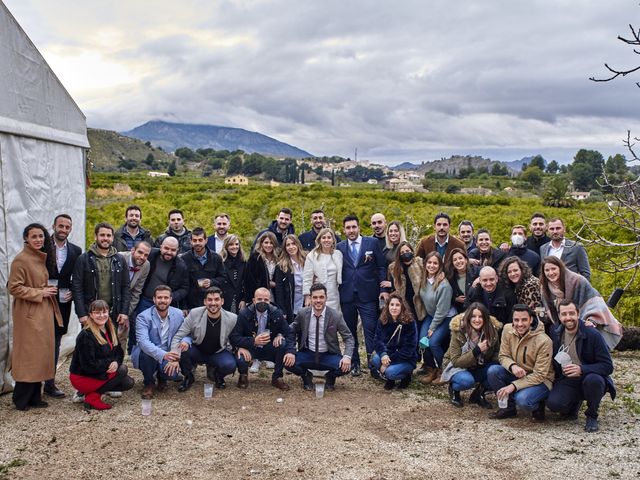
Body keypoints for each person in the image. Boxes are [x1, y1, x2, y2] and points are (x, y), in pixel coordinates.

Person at [9, 223, 63, 410]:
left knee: (41, 356)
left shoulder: (38, 258)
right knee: (29, 357)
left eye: (41, 236)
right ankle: (21, 399)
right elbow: (13, 287)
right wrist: (40, 292)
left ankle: (35, 396)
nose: (39, 240)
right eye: (34, 237)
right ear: (26, 238)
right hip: (29, 314)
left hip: (42, 312)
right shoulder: (21, 260)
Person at [547, 301, 615, 433]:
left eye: (572, 313)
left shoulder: (592, 334)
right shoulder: (555, 333)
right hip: (567, 379)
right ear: (559, 316)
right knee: (554, 404)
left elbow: (607, 366)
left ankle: (592, 415)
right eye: (564, 314)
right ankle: (574, 404)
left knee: (593, 381)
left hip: (589, 376)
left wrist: (582, 369)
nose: (568, 317)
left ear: (578, 314)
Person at [337, 214, 388, 377]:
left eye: (354, 227)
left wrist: (383, 290)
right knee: (350, 331)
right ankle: (355, 362)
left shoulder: (371, 243)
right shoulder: (339, 247)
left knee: (370, 329)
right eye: (348, 228)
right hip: (347, 295)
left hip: (368, 294)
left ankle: (373, 364)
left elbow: (381, 267)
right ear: (344, 230)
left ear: (359, 228)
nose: (351, 230)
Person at [539, 256, 622, 350]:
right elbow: (548, 310)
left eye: (553, 268)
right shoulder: (545, 287)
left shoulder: (578, 281)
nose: (551, 273)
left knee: (588, 334)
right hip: (561, 324)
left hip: (583, 319)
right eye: (547, 270)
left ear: (560, 268)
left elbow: (594, 301)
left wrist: (591, 320)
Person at [487, 304, 554, 420]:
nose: (519, 324)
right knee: (493, 371)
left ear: (531, 319)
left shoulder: (544, 341)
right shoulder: (507, 330)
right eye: (516, 320)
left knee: (522, 400)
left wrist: (513, 386)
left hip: (540, 380)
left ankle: (538, 405)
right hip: (518, 373)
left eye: (524, 320)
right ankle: (508, 408)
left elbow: (540, 375)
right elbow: (503, 355)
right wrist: (512, 366)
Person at [284, 283, 354, 390]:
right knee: (287, 362)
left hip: (328, 355)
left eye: (321, 297)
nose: (318, 300)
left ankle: (330, 377)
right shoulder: (302, 313)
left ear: (326, 298)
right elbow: (290, 331)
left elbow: (348, 337)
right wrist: (290, 351)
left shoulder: (336, 315)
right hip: (308, 354)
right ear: (310, 299)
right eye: (315, 297)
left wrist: (347, 357)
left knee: (348, 366)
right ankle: (306, 376)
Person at [69, 300, 135, 410]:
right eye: (97, 313)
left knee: (128, 382)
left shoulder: (110, 328)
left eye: (104, 312)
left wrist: (116, 362)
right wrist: (110, 364)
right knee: (122, 370)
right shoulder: (86, 335)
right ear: (91, 315)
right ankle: (92, 397)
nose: (102, 315)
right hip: (83, 376)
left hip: (99, 371)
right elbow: (88, 365)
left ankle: (90, 395)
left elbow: (119, 351)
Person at [169, 287, 238, 391]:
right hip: (197, 350)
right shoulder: (194, 313)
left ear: (222, 301)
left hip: (218, 352)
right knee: (182, 348)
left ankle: (218, 376)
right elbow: (178, 336)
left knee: (230, 364)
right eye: (209, 300)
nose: (213, 303)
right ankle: (188, 377)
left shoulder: (232, 318)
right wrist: (174, 357)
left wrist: (241, 348)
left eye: (216, 299)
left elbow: (238, 337)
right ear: (205, 301)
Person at [45, 214, 82, 398]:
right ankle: (34, 380)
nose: (64, 230)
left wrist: (74, 294)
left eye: (67, 227)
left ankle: (50, 383)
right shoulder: (42, 245)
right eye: (61, 226)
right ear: (53, 226)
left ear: (70, 229)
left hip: (63, 302)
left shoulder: (76, 250)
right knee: (40, 340)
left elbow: (78, 277)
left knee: (57, 340)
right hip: (42, 300)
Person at [441, 303, 501, 409]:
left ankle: (479, 394)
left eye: (480, 316)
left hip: (478, 366)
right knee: (466, 381)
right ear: (468, 317)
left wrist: (493, 366)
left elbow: (497, 353)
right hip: (457, 367)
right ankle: (454, 389)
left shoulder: (492, 331)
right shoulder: (459, 331)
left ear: (485, 318)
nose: (477, 320)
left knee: (497, 372)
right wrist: (477, 350)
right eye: (473, 316)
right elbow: (456, 361)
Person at [230, 288, 291, 390]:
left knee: (282, 344)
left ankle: (277, 377)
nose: (263, 302)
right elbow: (234, 337)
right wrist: (252, 341)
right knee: (240, 356)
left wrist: (281, 335)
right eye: (259, 299)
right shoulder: (244, 314)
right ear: (254, 300)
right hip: (251, 348)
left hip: (269, 347)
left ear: (269, 300)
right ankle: (243, 376)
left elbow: (289, 333)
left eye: (266, 300)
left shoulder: (277, 313)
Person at [72, 223, 130, 328]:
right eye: (102, 235)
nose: (105, 238)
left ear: (112, 238)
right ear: (96, 237)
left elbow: (126, 286)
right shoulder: (83, 259)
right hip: (91, 313)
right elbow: (77, 288)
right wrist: (81, 314)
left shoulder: (120, 260)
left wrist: (124, 311)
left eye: (108, 235)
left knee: (112, 343)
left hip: (113, 313)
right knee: (90, 343)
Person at [132, 285, 185, 399]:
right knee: (146, 353)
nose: (162, 301)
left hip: (169, 353)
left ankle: (162, 378)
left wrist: (177, 354)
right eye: (159, 297)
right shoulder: (143, 317)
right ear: (154, 299)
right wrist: (164, 355)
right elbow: (143, 342)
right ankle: (149, 383)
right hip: (149, 353)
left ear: (170, 299)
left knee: (173, 374)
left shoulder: (179, 314)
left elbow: (186, 334)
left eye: (166, 298)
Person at [418, 251, 455, 385]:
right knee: (422, 341)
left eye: (435, 263)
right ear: (425, 264)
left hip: (445, 317)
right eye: (429, 262)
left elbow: (442, 310)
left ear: (440, 265)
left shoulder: (443, 285)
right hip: (431, 315)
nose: (432, 266)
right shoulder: (423, 279)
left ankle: (443, 370)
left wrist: (432, 328)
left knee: (433, 342)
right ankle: (431, 368)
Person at [371, 294, 418, 390]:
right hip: (389, 354)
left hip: (406, 358)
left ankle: (406, 376)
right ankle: (390, 379)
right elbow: (377, 340)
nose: (394, 308)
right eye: (392, 304)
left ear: (402, 307)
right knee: (375, 359)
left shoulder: (410, 322)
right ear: (388, 306)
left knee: (390, 372)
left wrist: (387, 362)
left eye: (397, 305)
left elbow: (409, 349)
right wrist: (384, 355)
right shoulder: (383, 320)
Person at [139, 237, 189, 314]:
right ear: (161, 247)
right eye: (166, 248)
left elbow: (184, 288)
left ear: (177, 250)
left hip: (166, 305)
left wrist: (170, 296)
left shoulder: (181, 266)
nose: (169, 252)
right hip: (145, 300)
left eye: (173, 250)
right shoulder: (150, 255)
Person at [180, 227, 226, 310]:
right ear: (190, 241)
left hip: (212, 304)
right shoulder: (184, 259)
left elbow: (223, 278)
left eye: (200, 240)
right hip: (192, 305)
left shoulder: (216, 258)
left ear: (206, 240)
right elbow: (182, 285)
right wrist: (184, 307)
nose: (197, 243)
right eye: (194, 240)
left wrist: (211, 282)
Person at [118, 240, 151, 351]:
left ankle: (119, 361)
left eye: (146, 255)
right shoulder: (119, 257)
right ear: (132, 250)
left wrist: (126, 313)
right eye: (140, 252)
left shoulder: (146, 265)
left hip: (127, 301)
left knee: (123, 331)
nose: (142, 257)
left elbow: (137, 291)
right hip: (112, 297)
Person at [302, 228, 343, 310]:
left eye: (329, 237)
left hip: (334, 295)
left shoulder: (338, 254)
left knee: (333, 320)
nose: (326, 240)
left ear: (333, 240)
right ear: (319, 240)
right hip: (318, 295)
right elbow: (307, 278)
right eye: (323, 238)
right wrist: (307, 297)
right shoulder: (312, 255)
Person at [386, 241, 425, 322]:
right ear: (399, 255)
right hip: (405, 306)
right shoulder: (394, 268)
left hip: (421, 304)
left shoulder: (420, 263)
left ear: (412, 251)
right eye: (402, 252)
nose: (405, 254)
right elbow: (394, 288)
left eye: (407, 251)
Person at [274, 235, 306, 322]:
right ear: (285, 248)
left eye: (293, 244)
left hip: (306, 303)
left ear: (298, 245)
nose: (291, 247)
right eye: (288, 245)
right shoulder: (281, 266)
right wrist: (282, 310)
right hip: (290, 305)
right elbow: (279, 290)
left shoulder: (307, 260)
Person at [245, 231, 279, 303]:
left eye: (271, 243)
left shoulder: (279, 258)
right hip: (259, 296)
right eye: (266, 242)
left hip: (276, 295)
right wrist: (267, 283)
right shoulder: (255, 258)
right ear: (261, 243)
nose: (268, 245)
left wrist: (277, 284)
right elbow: (249, 280)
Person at [445, 247, 480, 314]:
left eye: (460, 258)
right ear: (452, 263)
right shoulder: (450, 277)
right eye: (455, 260)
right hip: (460, 311)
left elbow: (489, 272)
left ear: (466, 260)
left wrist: (480, 278)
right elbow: (446, 296)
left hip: (477, 309)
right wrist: (455, 299)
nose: (458, 261)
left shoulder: (476, 271)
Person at [220, 234, 247, 314]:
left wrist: (244, 299)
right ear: (226, 246)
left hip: (240, 300)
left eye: (236, 244)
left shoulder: (244, 262)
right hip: (224, 299)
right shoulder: (220, 261)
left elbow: (247, 283)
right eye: (231, 244)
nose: (234, 247)